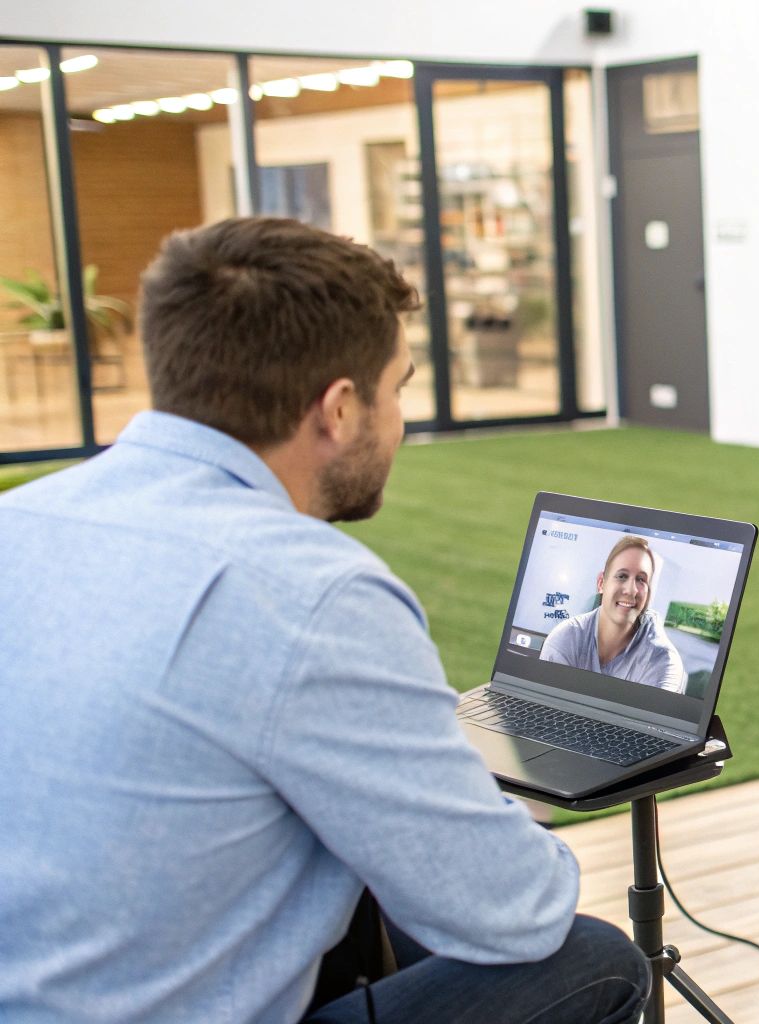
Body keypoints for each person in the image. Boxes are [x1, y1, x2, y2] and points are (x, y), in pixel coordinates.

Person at [0, 218, 650, 1022]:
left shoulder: (21, 522)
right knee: (596, 961)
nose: (401, 418)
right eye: (399, 386)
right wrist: (501, 811)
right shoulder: (311, 593)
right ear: (340, 409)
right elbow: (518, 911)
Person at [541, 535, 688, 693]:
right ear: (601, 583)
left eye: (641, 579)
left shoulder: (663, 661)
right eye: (622, 576)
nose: (631, 590)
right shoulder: (565, 638)